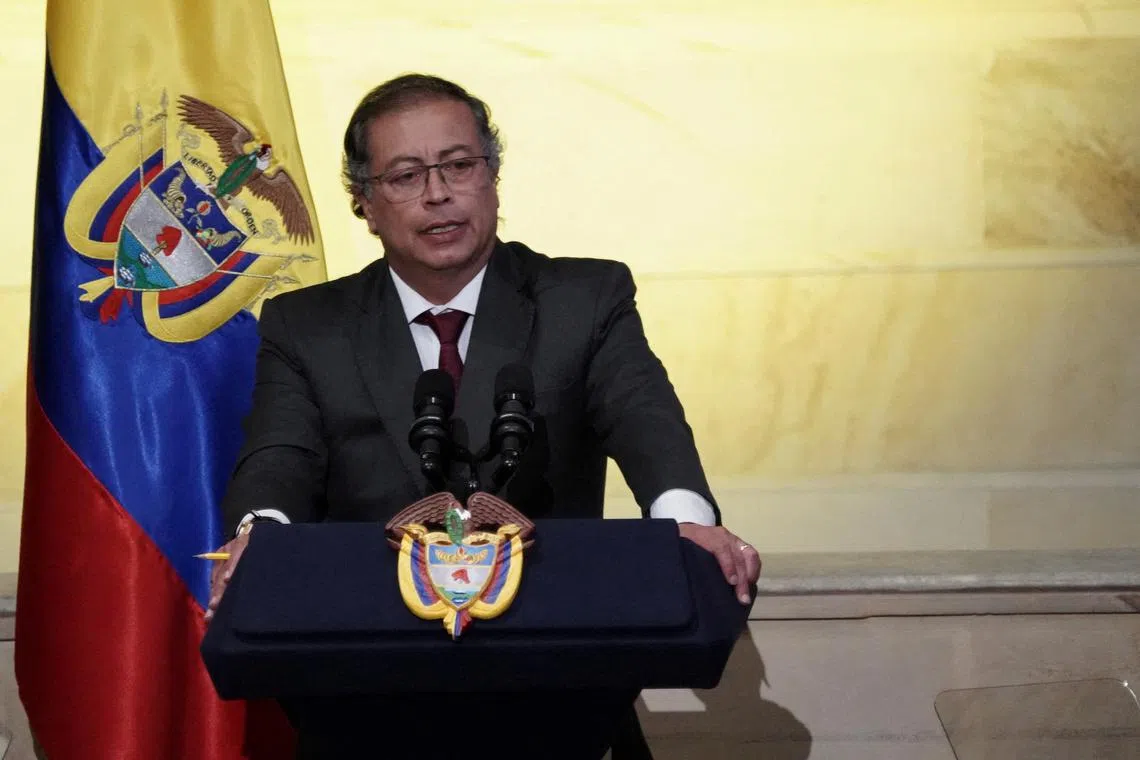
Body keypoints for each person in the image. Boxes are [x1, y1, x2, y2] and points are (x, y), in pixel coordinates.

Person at [206, 73, 762, 758]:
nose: (438, 194)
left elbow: (645, 417)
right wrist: (261, 538)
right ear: (365, 203)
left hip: (558, 692)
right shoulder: (308, 327)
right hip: (370, 701)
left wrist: (685, 522)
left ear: (492, 177)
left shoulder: (584, 298)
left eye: (459, 166)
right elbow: (278, 456)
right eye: (406, 175)